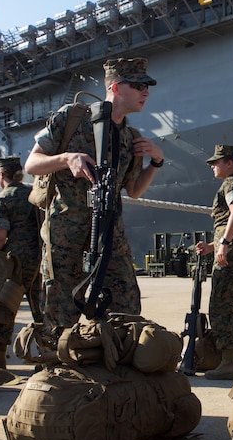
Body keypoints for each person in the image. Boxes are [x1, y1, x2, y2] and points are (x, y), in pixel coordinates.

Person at [24, 58, 164, 335]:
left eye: (147, 87)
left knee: (125, 306)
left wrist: (156, 162)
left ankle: (113, 364)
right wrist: (66, 158)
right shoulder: (72, 118)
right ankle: (58, 369)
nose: (145, 93)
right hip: (66, 231)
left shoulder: (130, 138)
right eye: (138, 86)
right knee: (60, 308)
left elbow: (134, 190)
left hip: (111, 233)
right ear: (115, 87)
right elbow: (31, 164)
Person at [195, 145, 233, 379]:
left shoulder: (231, 184)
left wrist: (223, 243)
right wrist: (213, 246)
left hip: (232, 257)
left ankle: (229, 361)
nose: (212, 166)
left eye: (216, 162)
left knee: (221, 306)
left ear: (230, 163)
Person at [0, 156, 43, 369]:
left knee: (7, 307)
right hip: (39, 259)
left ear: (1, 175)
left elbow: (0, 236)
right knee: (40, 307)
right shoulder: (32, 194)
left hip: (15, 262)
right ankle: (47, 355)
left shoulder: (2, 199)